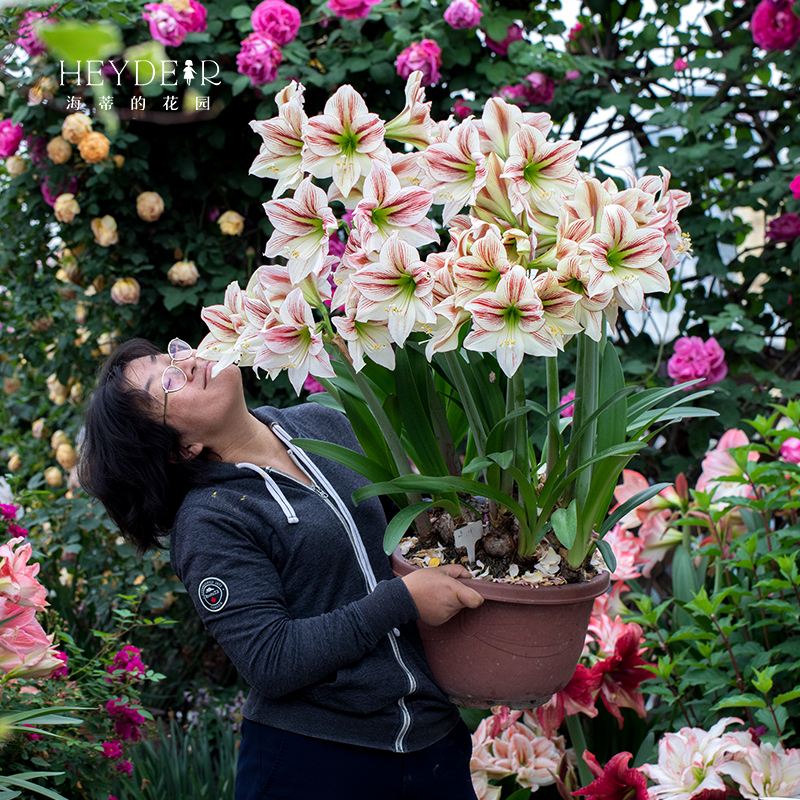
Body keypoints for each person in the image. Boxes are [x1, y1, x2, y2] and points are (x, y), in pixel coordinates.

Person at [78, 337, 484, 800]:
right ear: (181, 448)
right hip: (317, 762)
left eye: (175, 353)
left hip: (433, 742)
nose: (188, 363)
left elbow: (420, 530)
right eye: (167, 380)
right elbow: (271, 660)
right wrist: (403, 600)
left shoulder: (322, 423)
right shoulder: (211, 519)